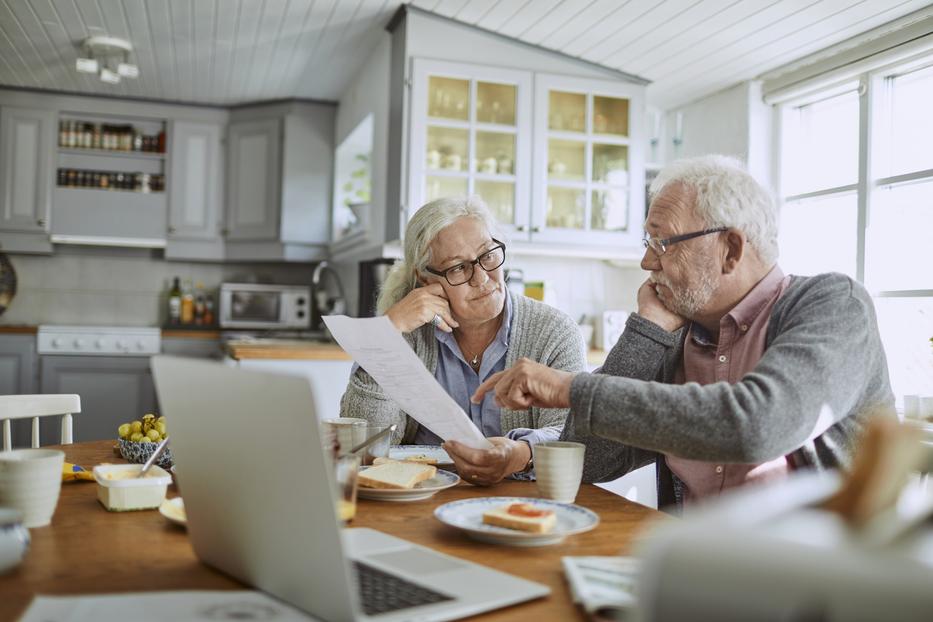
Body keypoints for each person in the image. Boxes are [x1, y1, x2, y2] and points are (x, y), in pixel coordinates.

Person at [471, 155, 895, 512]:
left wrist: (572, 389)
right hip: (692, 569)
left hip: (823, 583)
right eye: (646, 242)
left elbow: (757, 425)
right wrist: (647, 331)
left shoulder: (834, 304)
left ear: (730, 249)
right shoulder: (676, 334)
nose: (646, 263)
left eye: (662, 243)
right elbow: (592, 458)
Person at [339, 195, 586, 484]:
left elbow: (571, 436)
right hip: (422, 498)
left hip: (525, 500)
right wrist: (386, 334)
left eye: (488, 256)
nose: (481, 278)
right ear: (426, 279)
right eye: (458, 267)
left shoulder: (555, 332)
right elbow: (364, 448)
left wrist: (520, 452)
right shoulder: (409, 332)